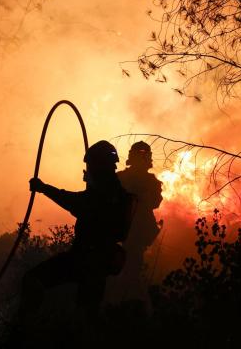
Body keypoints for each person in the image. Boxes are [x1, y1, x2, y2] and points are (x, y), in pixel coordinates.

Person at [18, 140, 134, 327]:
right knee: (87, 314)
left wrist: (43, 188)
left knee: (33, 280)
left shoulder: (102, 195)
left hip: (85, 260)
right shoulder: (116, 193)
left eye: (90, 165)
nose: (88, 169)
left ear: (98, 165)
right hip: (100, 263)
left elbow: (75, 202)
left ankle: (23, 333)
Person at [114, 141, 164, 301]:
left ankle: (132, 303)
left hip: (136, 234)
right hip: (120, 232)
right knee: (120, 273)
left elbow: (155, 202)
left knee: (132, 272)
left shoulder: (150, 181)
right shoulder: (120, 178)